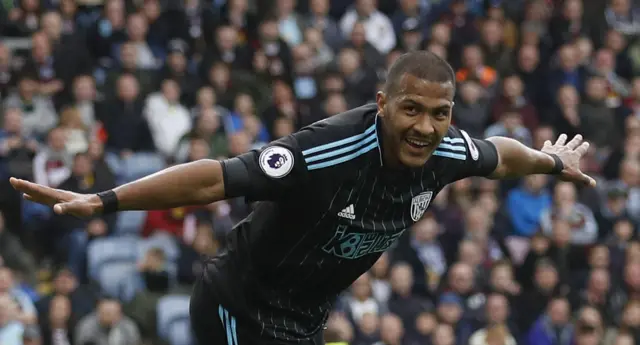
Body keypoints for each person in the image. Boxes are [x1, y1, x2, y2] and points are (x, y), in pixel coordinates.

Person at [9, 51, 595, 345]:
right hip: (236, 307)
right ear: (384, 103)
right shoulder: (326, 152)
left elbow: (501, 153)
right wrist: (103, 201)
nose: (425, 126)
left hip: (303, 323)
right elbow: (216, 176)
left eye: (440, 114)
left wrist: (551, 161)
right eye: (411, 109)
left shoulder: (447, 149)